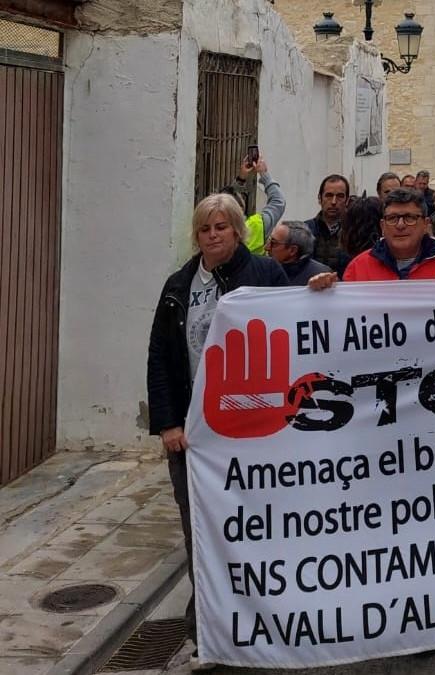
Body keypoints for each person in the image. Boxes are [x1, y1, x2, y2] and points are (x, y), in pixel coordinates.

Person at [147, 194, 288, 670]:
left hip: (252, 432)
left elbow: (295, 336)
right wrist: (167, 422)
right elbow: (161, 360)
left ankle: (270, 623)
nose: (213, 235)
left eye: (222, 227)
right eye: (205, 228)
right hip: (194, 436)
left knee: (261, 530)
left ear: (237, 231)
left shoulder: (265, 275)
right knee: (203, 535)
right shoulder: (178, 285)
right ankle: (208, 634)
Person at [308, 188, 435, 286]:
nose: (400, 225)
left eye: (409, 218)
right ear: (383, 226)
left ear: (425, 224)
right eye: (392, 218)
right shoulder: (359, 267)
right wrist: (326, 293)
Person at [228, 153, 285, 256]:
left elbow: (227, 201)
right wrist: (264, 174)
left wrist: (241, 179)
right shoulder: (255, 226)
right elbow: (278, 201)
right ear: (241, 208)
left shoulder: (213, 231)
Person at [305, 174, 352, 276]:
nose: (334, 202)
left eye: (340, 196)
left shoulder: (354, 232)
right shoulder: (304, 230)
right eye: (329, 195)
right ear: (319, 198)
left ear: (347, 200)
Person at [266, 221, 333, 285]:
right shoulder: (264, 270)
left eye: (273, 243)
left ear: (292, 250)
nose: (266, 247)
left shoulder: (322, 278)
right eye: (268, 240)